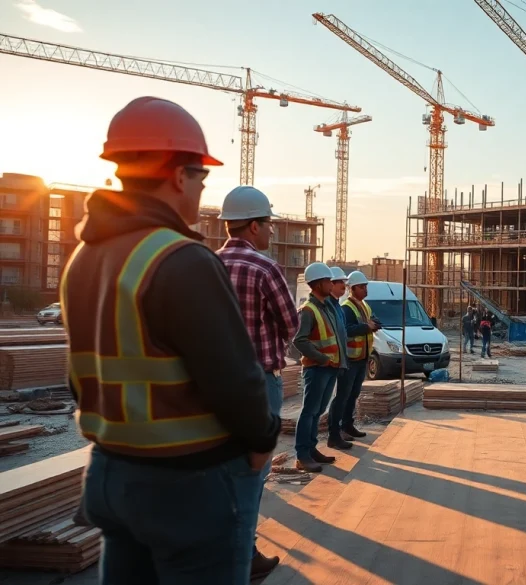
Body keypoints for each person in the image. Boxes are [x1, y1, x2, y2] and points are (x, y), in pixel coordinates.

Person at [60, 96, 280, 584]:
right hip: (186, 482)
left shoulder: (85, 258)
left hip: (110, 470)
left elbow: (80, 375)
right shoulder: (181, 259)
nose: (200, 190)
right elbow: (234, 377)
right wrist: (262, 437)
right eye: (201, 178)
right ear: (179, 175)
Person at [215, 185, 299, 579]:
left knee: (219, 469)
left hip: (212, 385)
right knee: (252, 473)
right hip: (258, 383)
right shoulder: (265, 269)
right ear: (252, 226)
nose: (271, 230)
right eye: (268, 223)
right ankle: (242, 559)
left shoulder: (208, 265)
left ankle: (223, 550)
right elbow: (291, 323)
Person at [292, 262, 345, 472]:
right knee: (309, 411)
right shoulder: (308, 310)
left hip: (330, 368)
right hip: (317, 368)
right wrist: (322, 358)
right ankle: (302, 455)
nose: (331, 285)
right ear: (318, 284)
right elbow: (299, 340)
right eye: (328, 281)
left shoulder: (327, 307)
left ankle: (311, 449)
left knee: (318, 411)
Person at [333, 270, 380, 444]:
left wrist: (375, 324)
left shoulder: (364, 305)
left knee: (353, 394)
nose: (365, 290)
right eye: (361, 287)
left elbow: (371, 320)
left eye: (366, 286)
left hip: (362, 357)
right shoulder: (347, 308)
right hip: (351, 359)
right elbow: (347, 330)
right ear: (352, 289)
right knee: (344, 395)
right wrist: (367, 327)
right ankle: (338, 429)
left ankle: (348, 425)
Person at [325, 266, 355, 450]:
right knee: (322, 405)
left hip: (341, 360)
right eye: (339, 283)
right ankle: (333, 435)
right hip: (328, 361)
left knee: (343, 396)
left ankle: (336, 434)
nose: (343, 286)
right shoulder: (328, 306)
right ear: (330, 284)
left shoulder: (336, 305)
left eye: (344, 283)